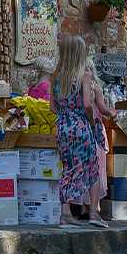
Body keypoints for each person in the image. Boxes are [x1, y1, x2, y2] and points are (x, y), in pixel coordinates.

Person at [50, 35, 102, 227]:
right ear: (80, 53)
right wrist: (91, 121)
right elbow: (87, 104)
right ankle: (94, 211)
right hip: (81, 124)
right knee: (92, 165)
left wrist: (66, 115)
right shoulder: (84, 76)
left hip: (63, 125)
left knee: (68, 167)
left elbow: (52, 107)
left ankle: (65, 213)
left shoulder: (56, 77)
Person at [85, 53, 116, 227]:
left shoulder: (73, 84)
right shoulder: (95, 86)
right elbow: (102, 108)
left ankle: (83, 207)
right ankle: (95, 207)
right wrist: (113, 113)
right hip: (94, 127)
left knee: (81, 168)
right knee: (96, 168)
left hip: (79, 127)